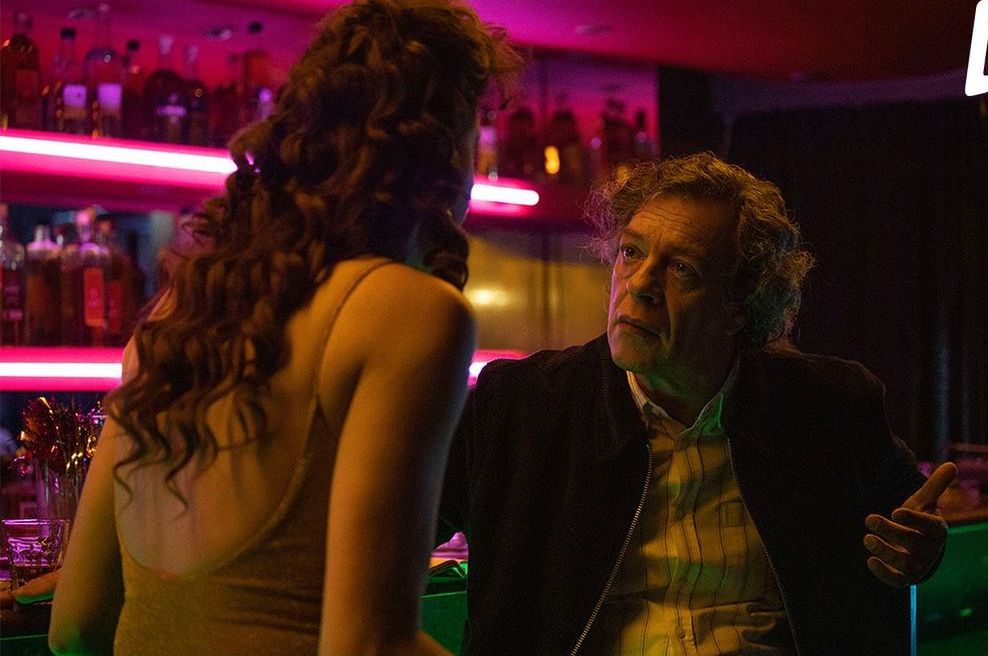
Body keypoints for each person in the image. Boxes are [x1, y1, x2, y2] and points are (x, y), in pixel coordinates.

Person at [48, 2, 520, 654]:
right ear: (446, 146)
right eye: (476, 125)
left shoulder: (176, 316)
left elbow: (74, 627)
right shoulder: (411, 312)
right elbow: (368, 646)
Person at [437, 152, 956, 655]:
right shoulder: (520, 406)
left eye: (682, 269)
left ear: (742, 304)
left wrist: (921, 549)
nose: (640, 286)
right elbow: (400, 532)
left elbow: (907, 525)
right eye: (631, 252)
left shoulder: (829, 408)